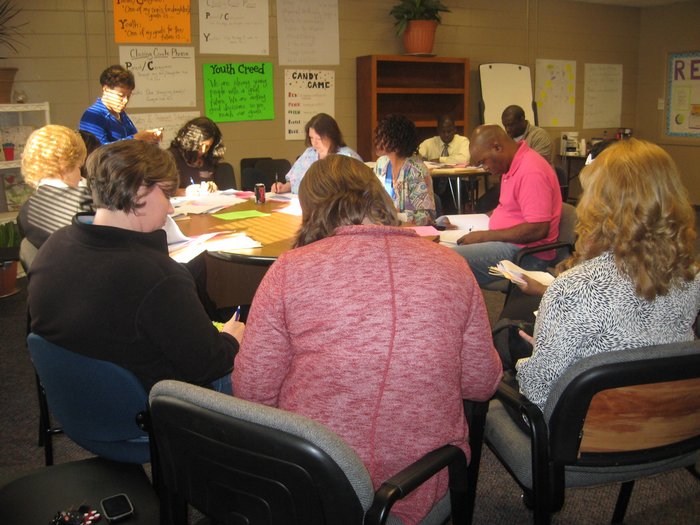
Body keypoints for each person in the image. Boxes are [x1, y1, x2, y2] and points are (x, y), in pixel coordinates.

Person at [233, 155, 502, 525]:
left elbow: (252, 392)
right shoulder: (453, 267)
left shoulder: (288, 271)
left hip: (316, 479)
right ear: (379, 198)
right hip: (423, 478)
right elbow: (481, 383)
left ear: (311, 209)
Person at [28, 140, 244, 393]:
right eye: (166, 194)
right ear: (139, 190)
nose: (171, 207)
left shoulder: (54, 246)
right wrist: (231, 337)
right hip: (157, 407)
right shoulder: (157, 276)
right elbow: (210, 365)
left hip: (80, 399)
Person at [515, 139, 699, 411]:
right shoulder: (690, 278)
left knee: (510, 346)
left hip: (588, 435)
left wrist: (529, 359)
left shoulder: (574, 288)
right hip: (670, 421)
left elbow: (538, 390)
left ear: (599, 206)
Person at [453, 125, 561, 286]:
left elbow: (538, 229)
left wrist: (484, 236)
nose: (485, 168)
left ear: (497, 147)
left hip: (525, 253)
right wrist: (460, 223)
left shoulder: (531, 171)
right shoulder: (510, 166)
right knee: (441, 250)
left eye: (483, 162)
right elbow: (508, 209)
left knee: (447, 261)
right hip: (507, 244)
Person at [18, 125, 93, 248]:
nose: (80, 176)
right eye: (78, 167)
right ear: (66, 166)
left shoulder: (25, 210)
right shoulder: (86, 203)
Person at [271, 112, 362, 194]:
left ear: (331, 136)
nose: (314, 143)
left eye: (319, 138)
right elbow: (294, 181)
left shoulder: (347, 157)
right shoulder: (309, 154)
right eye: (311, 138)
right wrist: (283, 187)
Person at [373, 114, 436, 225]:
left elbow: (426, 217)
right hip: (385, 229)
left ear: (396, 140)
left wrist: (394, 216)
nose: (376, 141)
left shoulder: (416, 171)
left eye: (382, 136)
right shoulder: (381, 164)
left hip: (410, 233)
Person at [79, 65, 162, 145]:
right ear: (106, 89)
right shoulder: (94, 115)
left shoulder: (121, 114)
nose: (125, 100)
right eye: (120, 95)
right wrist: (136, 138)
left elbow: (134, 142)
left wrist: (150, 138)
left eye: (128, 96)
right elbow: (99, 152)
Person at [168, 117, 226, 188]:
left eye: (208, 146)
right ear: (190, 142)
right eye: (200, 145)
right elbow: (163, 191)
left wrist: (212, 187)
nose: (203, 150)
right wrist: (186, 192)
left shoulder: (208, 158)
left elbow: (211, 183)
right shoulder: (171, 157)